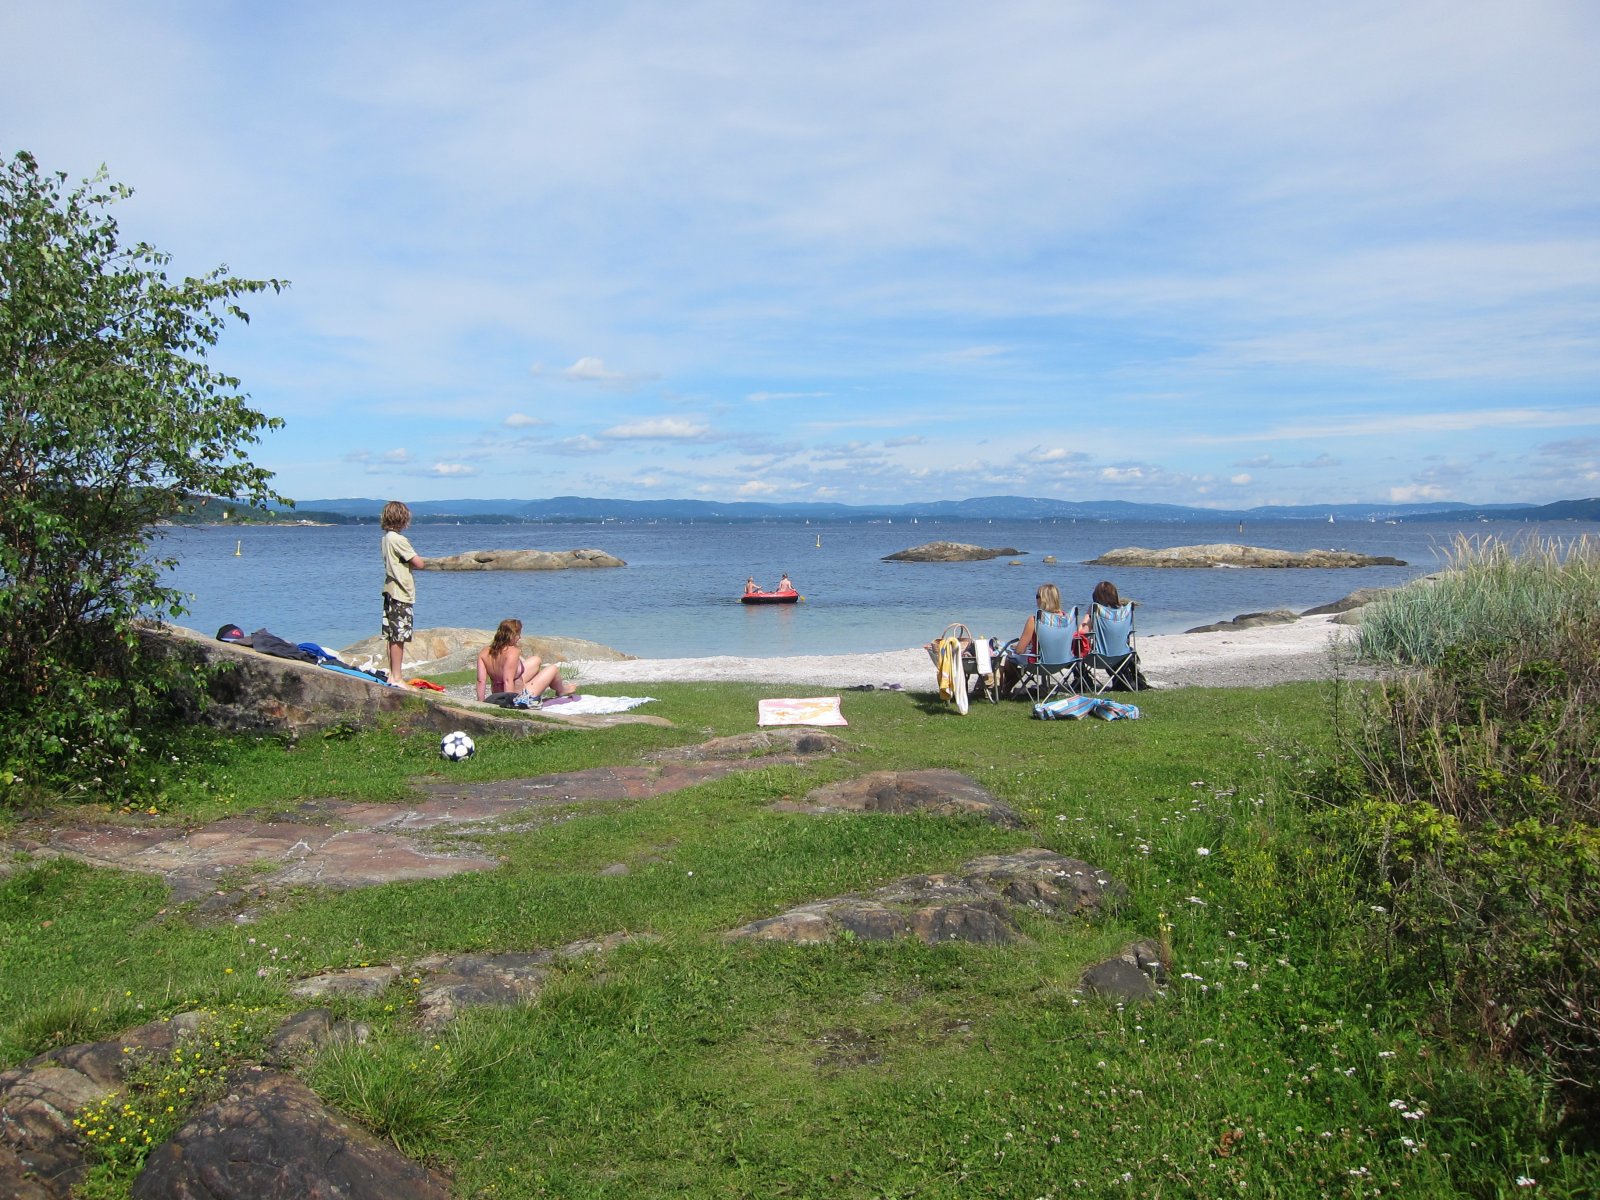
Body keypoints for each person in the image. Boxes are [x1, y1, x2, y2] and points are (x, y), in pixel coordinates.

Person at [998, 582, 1078, 695]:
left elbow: (1019, 650)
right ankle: (1007, 690)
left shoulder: (1035, 620)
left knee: (1010, 658)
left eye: (1037, 596)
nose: (1036, 599)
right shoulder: (1066, 619)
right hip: (1063, 662)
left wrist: (1016, 648)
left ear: (1043, 599)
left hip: (1040, 664)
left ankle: (1004, 690)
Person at [476, 618, 579, 702]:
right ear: (512, 635)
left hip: (497, 693)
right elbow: (507, 680)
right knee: (553, 669)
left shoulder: (484, 652)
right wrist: (509, 703)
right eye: (518, 634)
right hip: (517, 695)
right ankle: (561, 690)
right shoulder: (512, 652)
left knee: (536, 660)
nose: (520, 637)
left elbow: (481, 681)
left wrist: (480, 703)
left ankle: (540, 684)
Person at [380, 501, 426, 684]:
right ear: (402, 519)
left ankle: (392, 674)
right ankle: (397, 676)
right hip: (400, 591)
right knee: (399, 636)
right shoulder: (399, 540)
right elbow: (419, 563)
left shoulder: (386, 538)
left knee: (391, 635)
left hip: (390, 589)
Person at [1084, 579, 1149, 691]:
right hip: (1123, 655)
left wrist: (1088, 615)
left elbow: (1083, 632)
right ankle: (1124, 680)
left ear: (1096, 596)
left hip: (1100, 656)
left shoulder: (1096, 610)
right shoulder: (1124, 611)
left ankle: (1084, 681)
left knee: (1078, 650)